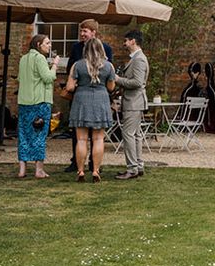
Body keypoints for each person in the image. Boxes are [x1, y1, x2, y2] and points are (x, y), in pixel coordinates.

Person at [64, 20, 114, 173]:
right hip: (101, 99)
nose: (82, 34)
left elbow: (70, 86)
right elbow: (111, 86)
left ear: (93, 32)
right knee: (99, 138)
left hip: (81, 98)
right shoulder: (108, 65)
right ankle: (96, 170)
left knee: (81, 139)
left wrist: (79, 83)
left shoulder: (78, 65)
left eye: (85, 31)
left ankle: (81, 170)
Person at [16, 35, 59, 179]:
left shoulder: (23, 58)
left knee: (23, 135)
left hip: (24, 102)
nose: (49, 45)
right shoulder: (39, 58)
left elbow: (20, 79)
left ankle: (22, 170)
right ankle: (39, 170)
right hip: (39, 102)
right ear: (39, 44)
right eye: (47, 43)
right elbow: (48, 77)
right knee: (39, 135)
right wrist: (55, 65)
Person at [114, 29, 150, 180]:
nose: (124, 43)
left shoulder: (139, 59)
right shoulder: (136, 58)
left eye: (126, 41)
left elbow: (137, 82)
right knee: (135, 135)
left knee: (128, 134)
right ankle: (138, 166)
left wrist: (117, 79)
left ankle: (132, 168)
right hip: (134, 101)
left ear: (133, 41)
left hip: (133, 102)